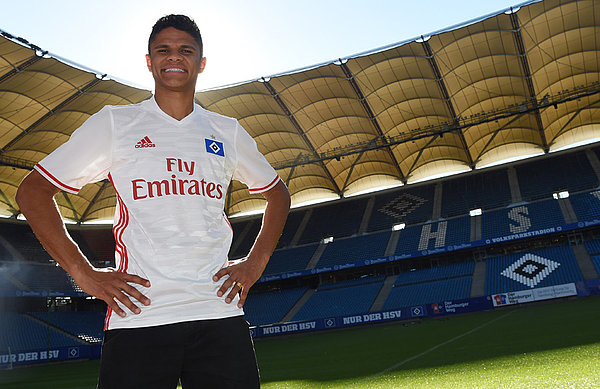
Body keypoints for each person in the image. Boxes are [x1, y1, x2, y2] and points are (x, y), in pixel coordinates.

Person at [16, 14, 290, 388]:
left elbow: (278, 194)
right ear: (149, 61)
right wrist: (85, 275)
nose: (173, 57)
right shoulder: (116, 123)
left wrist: (255, 263)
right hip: (140, 315)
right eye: (163, 50)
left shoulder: (227, 131)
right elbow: (32, 192)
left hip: (218, 312)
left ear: (201, 62)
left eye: (185, 50)